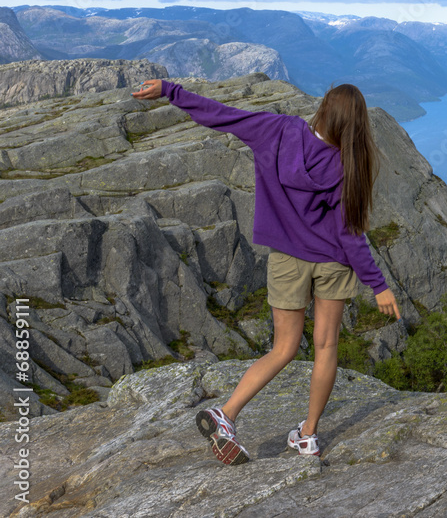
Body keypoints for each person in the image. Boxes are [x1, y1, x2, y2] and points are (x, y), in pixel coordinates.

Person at [132, 79, 401, 465]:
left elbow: (222, 116)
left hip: (288, 260)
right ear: (355, 126)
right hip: (333, 264)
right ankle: (307, 435)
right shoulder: (347, 164)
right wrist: (378, 285)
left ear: (323, 107)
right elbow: (350, 234)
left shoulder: (278, 130)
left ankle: (225, 415)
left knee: (283, 349)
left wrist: (171, 91)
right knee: (326, 348)